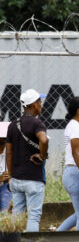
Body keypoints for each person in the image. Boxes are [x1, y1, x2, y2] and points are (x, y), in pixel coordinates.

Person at [6, 89, 48, 232]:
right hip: (33, 179)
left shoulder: (13, 125)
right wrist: (42, 155)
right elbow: (43, 139)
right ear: (33, 104)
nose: (41, 105)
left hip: (16, 179)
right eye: (40, 102)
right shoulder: (37, 124)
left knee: (17, 215)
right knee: (34, 216)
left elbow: (9, 152)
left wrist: (11, 175)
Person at [57, 97, 79, 231]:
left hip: (73, 173)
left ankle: (56, 238)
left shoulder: (75, 126)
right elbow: (75, 152)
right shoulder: (75, 127)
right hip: (77, 173)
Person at [0, 122, 11, 211]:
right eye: (0, 143)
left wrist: (10, 176)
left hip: (3, 187)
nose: (2, 146)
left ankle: (4, 217)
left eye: (4, 143)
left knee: (5, 206)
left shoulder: (7, 155)